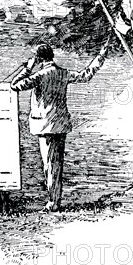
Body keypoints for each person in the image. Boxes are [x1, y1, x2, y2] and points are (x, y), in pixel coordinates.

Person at [11, 36, 111, 212]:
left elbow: (15, 85)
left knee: (49, 165)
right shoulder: (63, 73)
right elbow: (86, 75)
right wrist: (101, 55)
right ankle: (54, 200)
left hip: (45, 126)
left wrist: (28, 67)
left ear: (39, 59)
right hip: (60, 125)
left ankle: (53, 202)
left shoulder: (39, 75)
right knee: (56, 164)